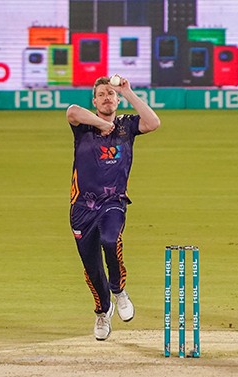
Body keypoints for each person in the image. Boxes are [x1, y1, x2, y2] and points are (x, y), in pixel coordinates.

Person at [66, 75, 161, 340]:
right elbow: (71, 112)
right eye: (102, 94)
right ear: (94, 100)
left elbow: (153, 123)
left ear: (117, 99)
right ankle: (102, 311)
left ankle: (119, 291)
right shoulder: (84, 125)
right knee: (92, 267)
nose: (107, 97)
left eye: (111, 94)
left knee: (110, 240)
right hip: (82, 207)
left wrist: (128, 91)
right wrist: (100, 124)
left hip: (113, 202)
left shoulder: (127, 125)